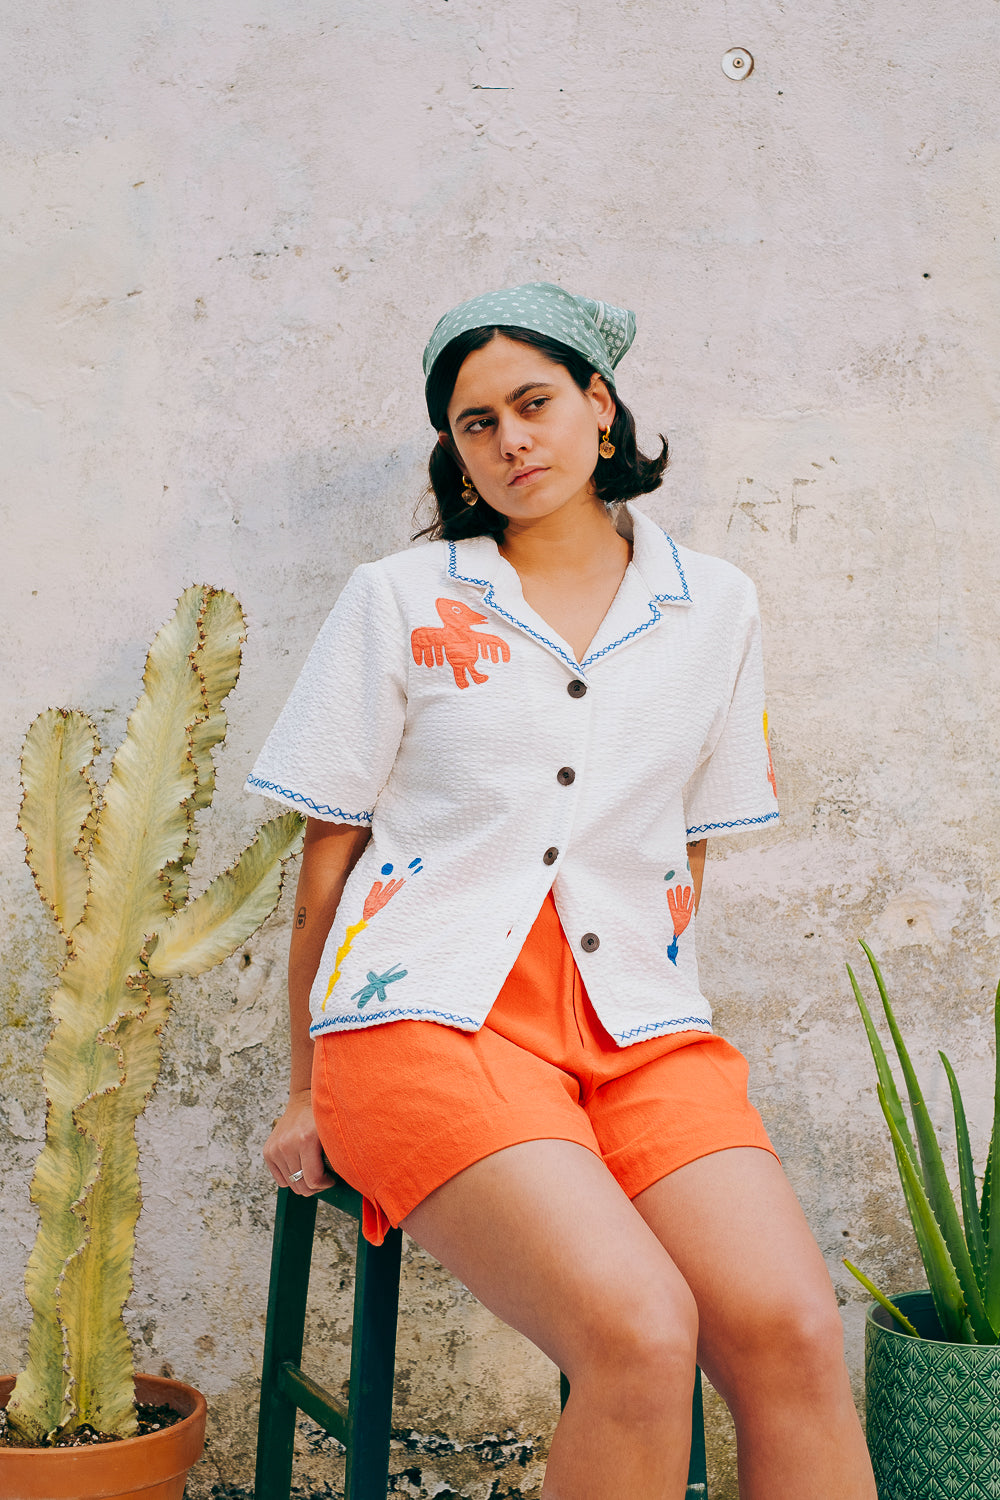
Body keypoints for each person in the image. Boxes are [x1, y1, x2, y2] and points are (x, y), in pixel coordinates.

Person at [247, 283, 876, 1499]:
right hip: (427, 1023)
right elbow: (325, 864)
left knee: (794, 1335)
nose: (510, 442)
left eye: (532, 404)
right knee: (639, 1335)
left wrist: (653, 980)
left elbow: (688, 843)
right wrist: (303, 1086)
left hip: (637, 1030)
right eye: (475, 425)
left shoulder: (716, 605)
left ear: (598, 405)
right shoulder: (401, 599)